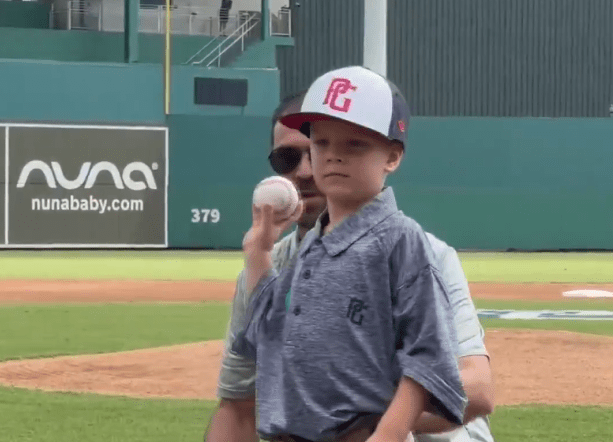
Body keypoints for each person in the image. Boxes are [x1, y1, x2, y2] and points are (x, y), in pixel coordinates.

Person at [205, 66, 495, 442]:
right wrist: (258, 256)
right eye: (316, 145)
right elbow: (239, 401)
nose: (310, 169)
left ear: (391, 157)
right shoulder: (280, 261)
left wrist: (360, 420)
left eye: (353, 143)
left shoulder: (413, 248)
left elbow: (473, 387)